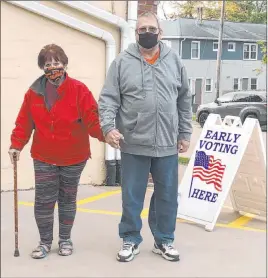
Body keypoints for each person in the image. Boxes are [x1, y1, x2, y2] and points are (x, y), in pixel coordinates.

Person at [98, 12, 192, 262]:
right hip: (134, 142)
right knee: (132, 195)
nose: (147, 33)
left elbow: (184, 99)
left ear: (160, 33)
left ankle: (164, 240)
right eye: (142, 29)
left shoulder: (174, 61)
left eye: (152, 28)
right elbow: (108, 99)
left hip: (167, 143)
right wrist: (108, 127)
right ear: (136, 33)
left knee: (167, 196)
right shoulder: (121, 62)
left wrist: (184, 132)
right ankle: (130, 238)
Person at [8, 44, 105, 259]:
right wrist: (16, 145)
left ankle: (65, 239)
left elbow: (92, 120)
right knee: (43, 200)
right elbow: (24, 122)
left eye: (57, 63)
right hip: (44, 155)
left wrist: (107, 135)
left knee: (67, 199)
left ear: (65, 64)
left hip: (74, 155)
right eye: (48, 64)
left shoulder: (79, 90)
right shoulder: (33, 92)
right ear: (42, 67)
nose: (53, 67)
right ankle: (44, 242)